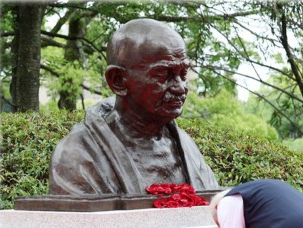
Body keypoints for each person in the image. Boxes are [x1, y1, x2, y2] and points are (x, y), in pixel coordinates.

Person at [49, 19, 219, 195]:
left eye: (182, 74)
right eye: (163, 74)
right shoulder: (79, 155)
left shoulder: (186, 147)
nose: (180, 87)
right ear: (118, 81)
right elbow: (84, 220)